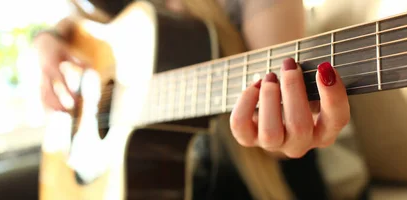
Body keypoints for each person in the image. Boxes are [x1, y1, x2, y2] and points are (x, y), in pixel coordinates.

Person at [33, 0, 351, 199]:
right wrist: (47, 39)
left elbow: (289, 114)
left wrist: (287, 134)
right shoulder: (106, 8)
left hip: (256, 185)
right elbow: (78, 26)